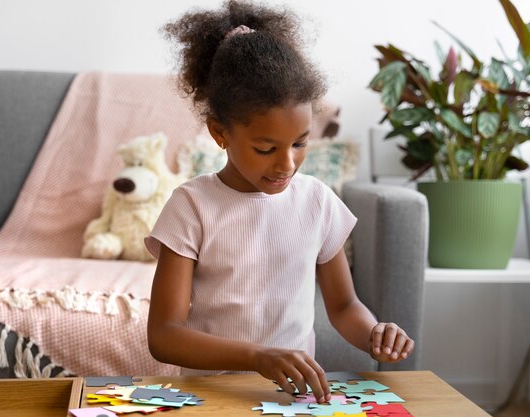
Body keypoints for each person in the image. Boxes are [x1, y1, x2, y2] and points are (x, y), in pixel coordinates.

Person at [145, 0, 414, 403]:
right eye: (266, 147)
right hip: (212, 396)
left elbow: (343, 307)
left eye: (300, 143)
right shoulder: (192, 206)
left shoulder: (318, 203)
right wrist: (258, 357)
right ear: (220, 134)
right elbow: (164, 335)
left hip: (295, 399)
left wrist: (374, 333)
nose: (286, 164)